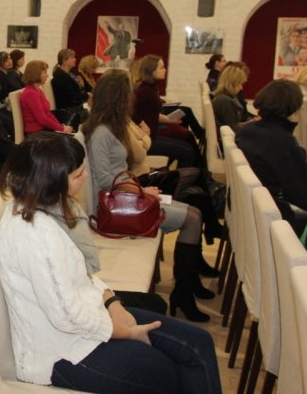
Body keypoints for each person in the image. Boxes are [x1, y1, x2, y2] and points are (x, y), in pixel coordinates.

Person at [0, 134, 221, 392]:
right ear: (52, 182)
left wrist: (111, 302)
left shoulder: (41, 209)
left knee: (198, 344)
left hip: (89, 322)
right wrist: (125, 332)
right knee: (168, 371)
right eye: (78, 174)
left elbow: (80, 277)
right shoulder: (35, 234)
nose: (86, 176)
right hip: (63, 353)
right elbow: (66, 317)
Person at [83, 70, 216, 322]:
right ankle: (184, 294)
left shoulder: (111, 127)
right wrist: (141, 191)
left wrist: (139, 189)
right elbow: (105, 180)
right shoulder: (102, 132)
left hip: (125, 198)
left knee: (195, 212)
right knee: (192, 219)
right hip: (117, 208)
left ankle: (187, 287)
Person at [236, 79, 307, 236]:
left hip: (254, 209)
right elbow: (304, 198)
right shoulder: (283, 141)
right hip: (279, 218)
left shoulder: (247, 131)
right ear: (294, 105)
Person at [133, 55, 200, 168]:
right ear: (152, 70)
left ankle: (192, 175)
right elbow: (129, 111)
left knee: (188, 147)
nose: (165, 70)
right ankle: (181, 179)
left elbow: (152, 114)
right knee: (187, 153)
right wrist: (141, 123)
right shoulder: (144, 91)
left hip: (152, 136)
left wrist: (170, 120)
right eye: (161, 67)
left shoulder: (151, 88)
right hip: (146, 140)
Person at [20, 60, 73, 135]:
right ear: (36, 74)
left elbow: (48, 114)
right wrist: (62, 128)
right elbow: (42, 119)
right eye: (44, 72)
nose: (47, 75)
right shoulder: (30, 93)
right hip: (35, 133)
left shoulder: (37, 90)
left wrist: (61, 126)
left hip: (42, 130)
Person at [51, 48, 89, 128]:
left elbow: (77, 92)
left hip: (73, 108)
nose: (75, 59)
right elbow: (72, 98)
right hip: (68, 112)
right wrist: (87, 96)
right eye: (72, 58)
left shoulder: (69, 75)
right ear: (64, 61)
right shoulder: (61, 77)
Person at [211, 65, 248, 136]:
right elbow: (233, 128)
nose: (241, 88)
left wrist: (250, 123)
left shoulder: (222, 97)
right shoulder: (225, 101)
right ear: (232, 83)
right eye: (240, 84)